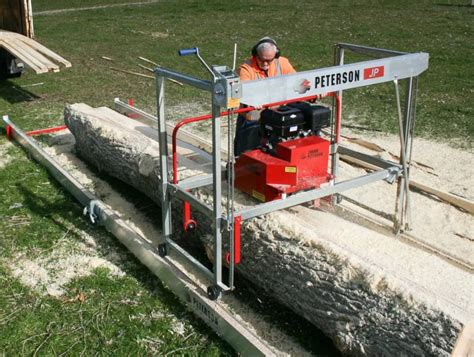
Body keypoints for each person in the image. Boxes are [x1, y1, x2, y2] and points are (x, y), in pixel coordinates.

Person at [234, 37, 299, 157]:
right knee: (246, 152)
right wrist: (253, 100)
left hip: (275, 115)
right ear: (255, 55)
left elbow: (296, 81)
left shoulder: (282, 63)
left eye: (269, 61)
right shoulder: (246, 68)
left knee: (274, 150)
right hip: (253, 117)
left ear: (276, 56)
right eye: (262, 59)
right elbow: (245, 90)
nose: (265, 64)